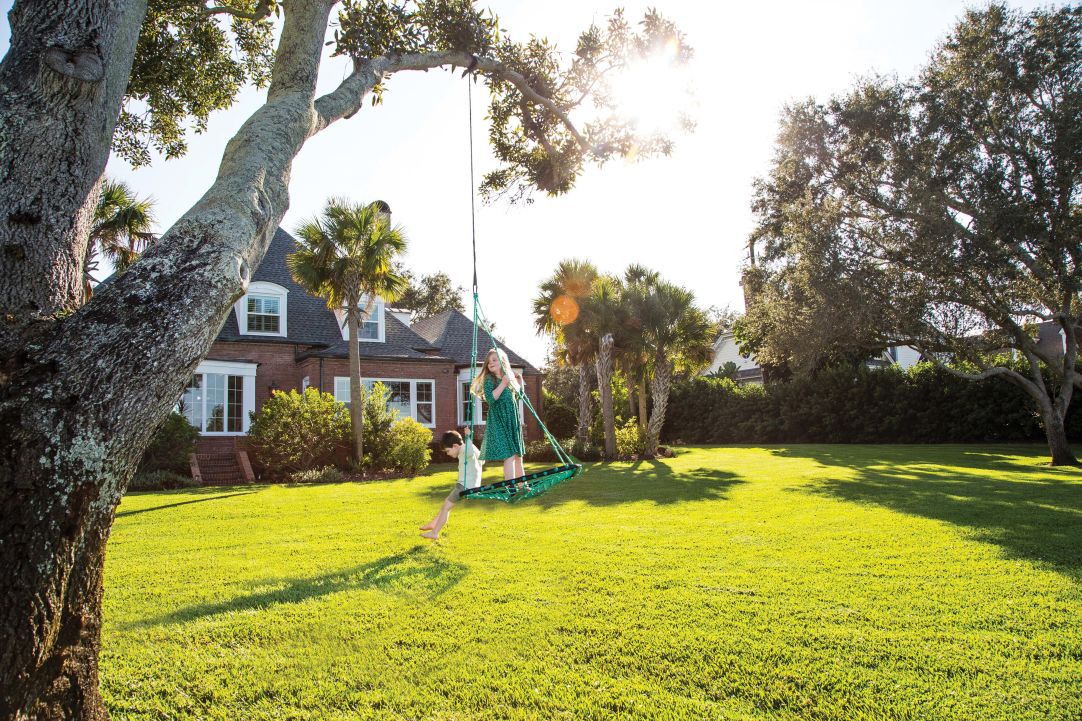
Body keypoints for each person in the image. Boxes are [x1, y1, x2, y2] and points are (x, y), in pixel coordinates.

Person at [471, 348, 525, 480]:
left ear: (502, 362)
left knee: (518, 456)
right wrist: (504, 384)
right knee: (510, 455)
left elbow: (520, 396)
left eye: (494, 360)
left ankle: (522, 485)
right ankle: (511, 487)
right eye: (489, 361)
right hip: (499, 420)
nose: (490, 363)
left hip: (512, 420)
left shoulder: (508, 377)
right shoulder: (490, 379)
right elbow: (490, 399)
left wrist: (520, 382)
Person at [420, 430, 482, 540]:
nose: (448, 454)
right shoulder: (467, 449)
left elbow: (470, 452)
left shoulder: (465, 450)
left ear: (455, 446)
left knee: (446, 508)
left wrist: (468, 436)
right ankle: (433, 524)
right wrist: (468, 441)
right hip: (469, 485)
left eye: (448, 451)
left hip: (465, 486)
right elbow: (481, 458)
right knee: (446, 505)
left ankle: (434, 532)